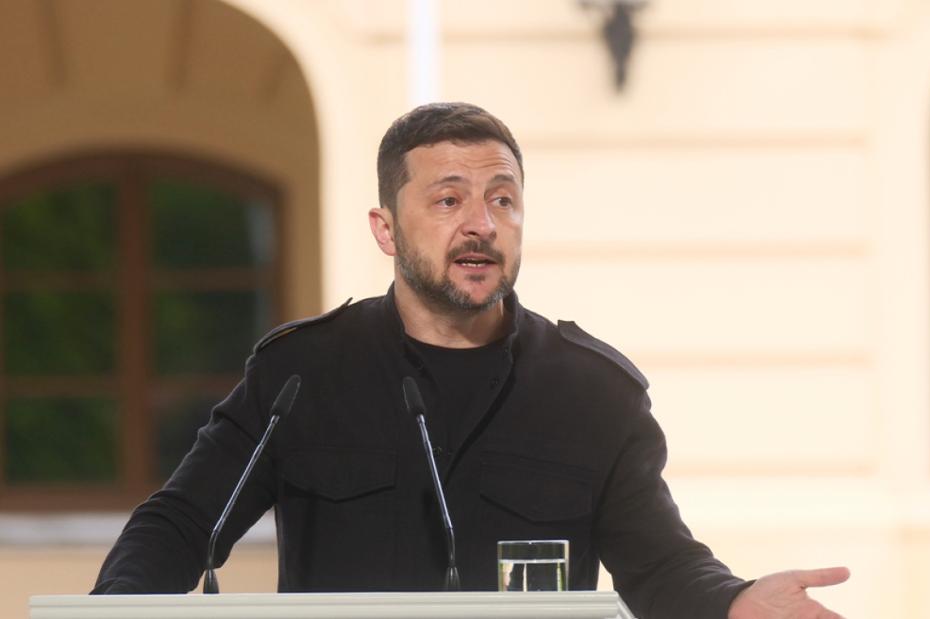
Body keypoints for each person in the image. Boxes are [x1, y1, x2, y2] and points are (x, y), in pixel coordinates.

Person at [93, 102, 849, 618]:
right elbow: (182, 522)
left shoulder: (593, 392)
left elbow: (660, 565)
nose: (482, 224)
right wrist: (113, 607)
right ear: (386, 229)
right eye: (449, 200)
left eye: (503, 200)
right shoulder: (300, 375)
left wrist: (732, 601)